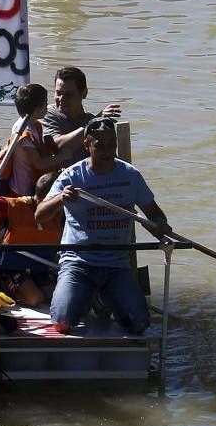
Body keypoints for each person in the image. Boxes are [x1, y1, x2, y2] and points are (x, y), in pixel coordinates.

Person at [35, 117, 171, 334]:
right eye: (99, 145)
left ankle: (104, 298)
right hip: (78, 263)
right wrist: (61, 198)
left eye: (111, 145)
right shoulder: (71, 176)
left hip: (115, 264)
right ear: (86, 145)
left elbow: (154, 214)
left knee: (139, 323)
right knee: (63, 322)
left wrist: (161, 227)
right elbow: (39, 215)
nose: (107, 151)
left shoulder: (129, 175)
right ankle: (85, 297)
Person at [0, 170, 62, 306]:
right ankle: (2, 285)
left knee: (58, 297)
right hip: (13, 267)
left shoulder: (59, 212)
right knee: (35, 299)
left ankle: (33, 287)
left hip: (40, 267)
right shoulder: (17, 205)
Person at [0, 83, 82, 197]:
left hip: (31, 183)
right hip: (22, 190)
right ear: (37, 110)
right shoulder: (23, 131)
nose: (48, 106)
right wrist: (61, 156)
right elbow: (39, 164)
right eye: (45, 104)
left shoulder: (34, 124)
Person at [41, 66, 123, 166]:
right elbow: (57, 146)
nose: (61, 99)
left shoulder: (92, 120)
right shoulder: (48, 113)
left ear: (84, 93)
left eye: (68, 94)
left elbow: (110, 157)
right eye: (58, 93)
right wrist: (93, 122)